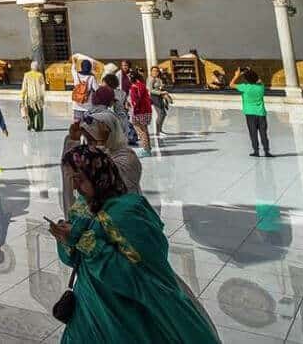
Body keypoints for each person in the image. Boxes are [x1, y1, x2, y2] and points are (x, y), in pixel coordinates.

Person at [50, 146, 219, 343]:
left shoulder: (128, 212)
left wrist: (87, 243)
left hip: (124, 311)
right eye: (73, 180)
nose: (76, 187)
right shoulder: (82, 206)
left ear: (98, 176)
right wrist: (66, 240)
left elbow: (139, 275)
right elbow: (74, 260)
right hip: (90, 307)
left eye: (80, 179)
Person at [61, 111, 142, 215]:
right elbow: (69, 169)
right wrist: (73, 141)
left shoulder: (127, 158)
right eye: (88, 140)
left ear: (110, 134)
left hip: (122, 216)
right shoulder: (99, 154)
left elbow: (105, 178)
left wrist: (100, 143)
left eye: (93, 140)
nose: (91, 146)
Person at [236, 68, 272, 157]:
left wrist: (237, 75)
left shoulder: (244, 87)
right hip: (261, 113)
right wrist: (252, 72)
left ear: (246, 79)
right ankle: (266, 151)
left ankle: (256, 151)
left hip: (250, 113)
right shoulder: (261, 87)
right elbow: (260, 81)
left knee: (253, 133)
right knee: (263, 133)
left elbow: (231, 84)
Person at [128, 70, 154, 156]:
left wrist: (132, 109)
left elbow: (135, 101)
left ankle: (146, 150)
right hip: (146, 111)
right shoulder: (142, 85)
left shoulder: (134, 87)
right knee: (145, 130)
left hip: (138, 112)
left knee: (141, 131)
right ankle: (148, 148)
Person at [20, 60, 46, 132]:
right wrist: (43, 96)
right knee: (39, 112)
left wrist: (22, 97)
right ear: (37, 67)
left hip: (30, 97)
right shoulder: (40, 75)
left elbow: (24, 87)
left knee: (30, 112)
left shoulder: (26, 75)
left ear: (31, 67)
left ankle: (31, 125)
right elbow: (43, 86)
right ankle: (39, 127)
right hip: (38, 97)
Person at [148, 66, 173, 137]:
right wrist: (161, 92)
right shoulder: (151, 79)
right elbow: (150, 90)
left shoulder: (159, 79)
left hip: (160, 97)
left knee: (163, 113)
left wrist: (163, 90)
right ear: (151, 71)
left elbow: (161, 87)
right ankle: (157, 131)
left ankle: (160, 129)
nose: (155, 72)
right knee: (160, 113)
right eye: (154, 71)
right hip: (154, 97)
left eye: (157, 71)